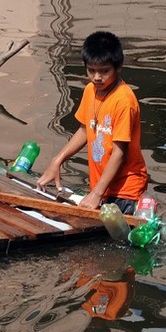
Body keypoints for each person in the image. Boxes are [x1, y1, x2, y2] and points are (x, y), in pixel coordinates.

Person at [37, 31, 148, 214]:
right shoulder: (90, 90)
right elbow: (85, 129)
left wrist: (96, 193)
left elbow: (120, 152)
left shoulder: (124, 101)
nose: (97, 77)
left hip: (125, 191)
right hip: (102, 186)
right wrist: (57, 160)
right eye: (91, 70)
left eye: (104, 71)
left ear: (118, 67)